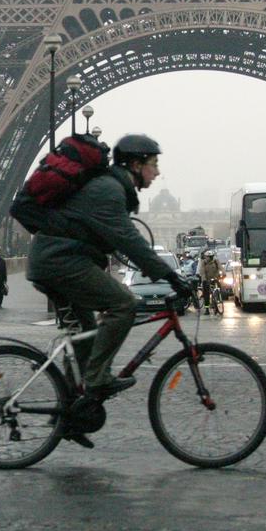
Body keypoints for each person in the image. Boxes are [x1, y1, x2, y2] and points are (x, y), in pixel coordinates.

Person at [27, 134, 190, 443]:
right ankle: (98, 378)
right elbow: (128, 238)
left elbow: (114, 240)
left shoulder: (109, 187)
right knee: (123, 304)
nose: (156, 172)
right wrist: (170, 275)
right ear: (136, 164)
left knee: (83, 336)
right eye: (153, 164)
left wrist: (152, 267)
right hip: (60, 263)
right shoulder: (109, 190)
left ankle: (69, 414)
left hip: (56, 261)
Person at [196, 249, 223, 314]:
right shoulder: (203, 262)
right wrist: (204, 279)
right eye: (208, 257)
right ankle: (207, 309)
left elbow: (221, 268)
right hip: (206, 280)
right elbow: (202, 272)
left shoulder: (216, 261)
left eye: (211, 256)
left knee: (219, 288)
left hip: (215, 278)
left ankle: (218, 299)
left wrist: (223, 274)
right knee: (206, 294)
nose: (209, 258)